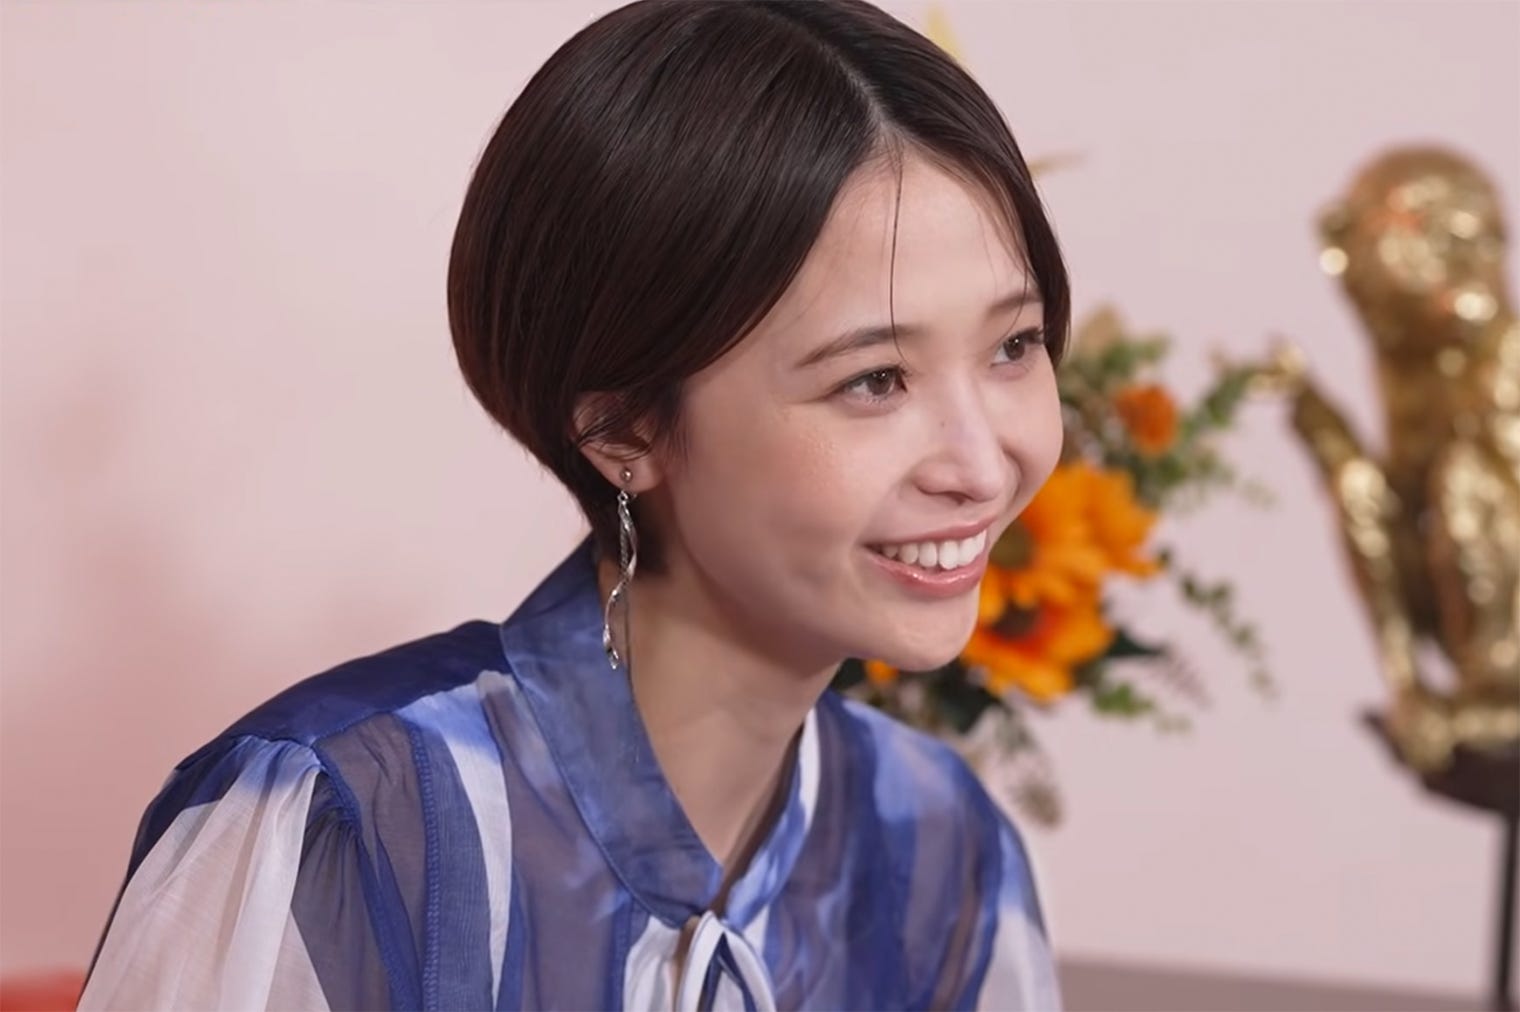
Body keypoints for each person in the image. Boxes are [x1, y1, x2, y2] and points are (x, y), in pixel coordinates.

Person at [78, 0, 1069, 1008]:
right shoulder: (346, 823)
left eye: (1012, 346)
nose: (981, 466)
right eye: (875, 380)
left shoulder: (940, 854)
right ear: (625, 430)